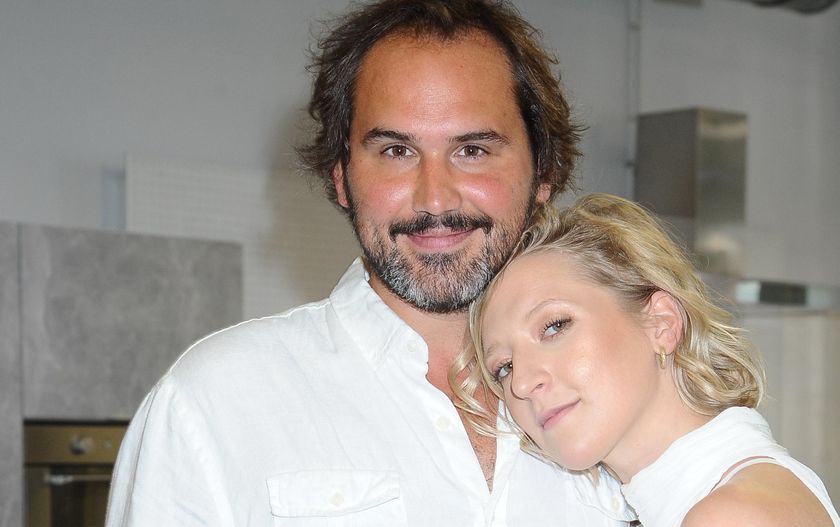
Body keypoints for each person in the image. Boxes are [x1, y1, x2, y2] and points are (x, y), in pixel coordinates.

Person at [105, 1, 630, 525]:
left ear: (543, 171)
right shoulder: (214, 403)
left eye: (472, 150)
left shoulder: (626, 385)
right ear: (341, 177)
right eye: (397, 151)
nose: (435, 199)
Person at [458, 193, 840, 527]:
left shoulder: (730, 514)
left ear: (661, 323)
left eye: (555, 326)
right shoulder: (709, 495)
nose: (522, 383)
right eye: (504, 367)